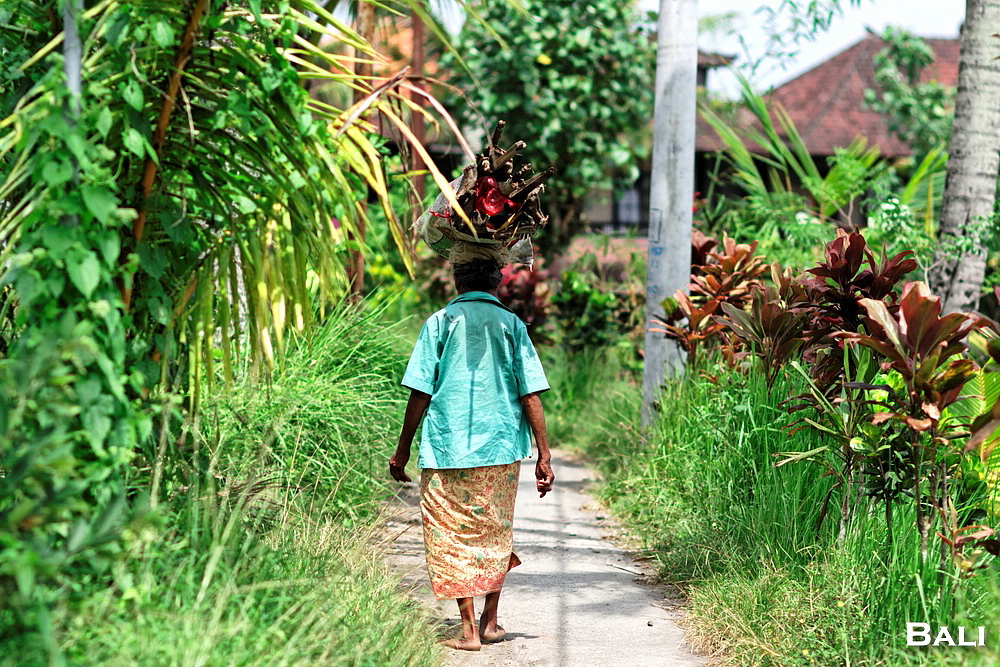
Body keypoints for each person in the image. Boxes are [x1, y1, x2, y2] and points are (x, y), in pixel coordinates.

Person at [389, 256, 554, 652]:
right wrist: (543, 455)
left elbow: (420, 392)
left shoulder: (439, 323)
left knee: (451, 534)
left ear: (455, 280)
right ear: (498, 282)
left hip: (447, 449)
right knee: (494, 531)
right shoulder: (512, 325)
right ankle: (491, 621)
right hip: (499, 448)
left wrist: (402, 449)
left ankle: (467, 630)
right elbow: (529, 393)